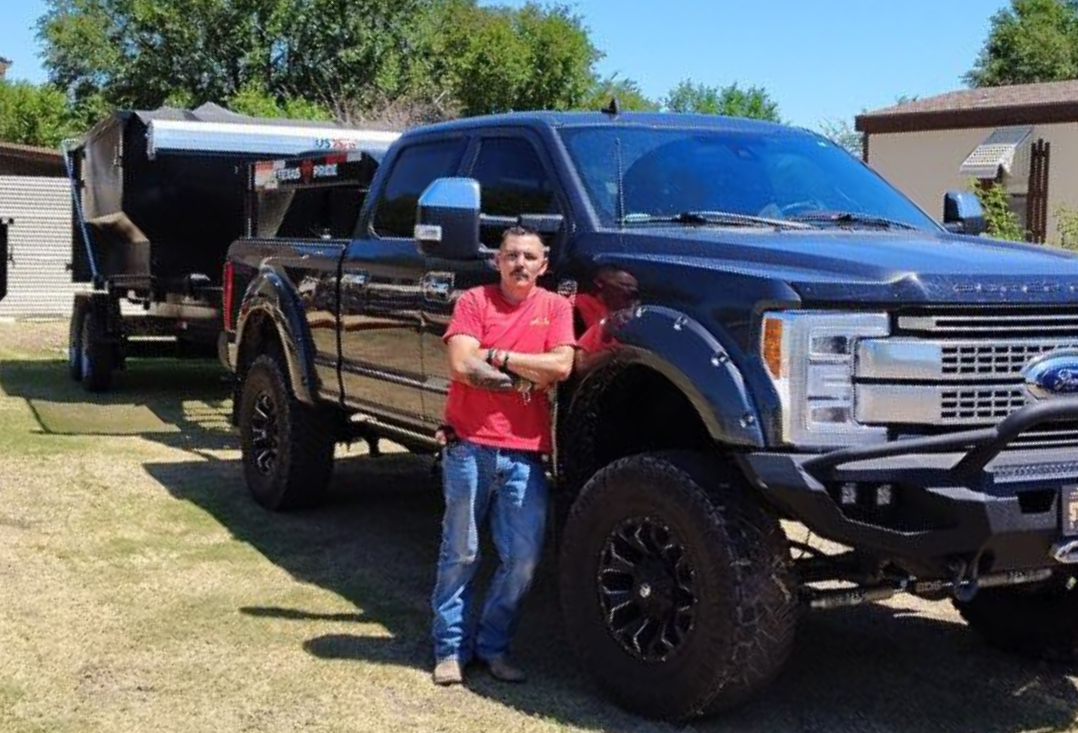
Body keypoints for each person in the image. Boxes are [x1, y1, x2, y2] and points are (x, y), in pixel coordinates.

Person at [430, 225, 576, 686]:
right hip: (468, 445)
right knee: (461, 553)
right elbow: (461, 364)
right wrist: (522, 380)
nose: (520, 264)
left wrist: (496, 355)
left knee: (525, 558)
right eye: (511, 255)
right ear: (497, 260)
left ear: (544, 265)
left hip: (525, 454)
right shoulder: (474, 301)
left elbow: (562, 366)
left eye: (530, 257)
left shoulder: (555, 307)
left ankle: (493, 647)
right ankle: (449, 651)